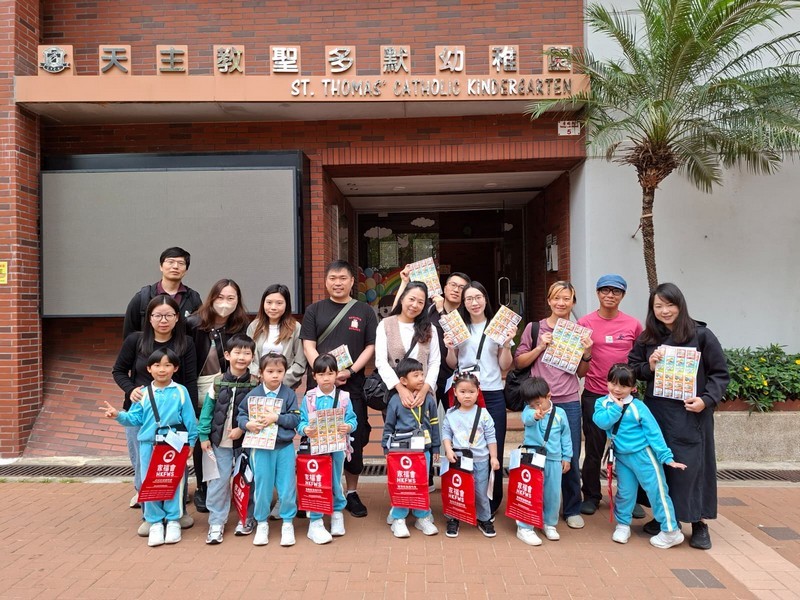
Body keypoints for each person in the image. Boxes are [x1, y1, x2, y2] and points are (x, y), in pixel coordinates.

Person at [628, 282, 730, 550]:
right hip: (658, 413)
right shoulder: (648, 338)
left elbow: (720, 373)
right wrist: (649, 366)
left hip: (691, 414)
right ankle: (666, 518)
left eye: (670, 305)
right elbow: (632, 369)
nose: (665, 311)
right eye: (658, 306)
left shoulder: (701, 335)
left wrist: (706, 400)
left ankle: (698, 522)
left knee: (692, 468)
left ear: (680, 305)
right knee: (659, 466)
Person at [112, 295, 198, 535]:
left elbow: (190, 380)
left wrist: (190, 416)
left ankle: (178, 513)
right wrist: (131, 390)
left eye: (169, 315)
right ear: (149, 318)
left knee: (175, 467)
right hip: (142, 412)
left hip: (174, 418)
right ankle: (150, 516)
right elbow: (119, 371)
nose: (163, 320)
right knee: (145, 466)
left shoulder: (186, 343)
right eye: (158, 315)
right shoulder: (135, 340)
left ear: (177, 317)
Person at [300, 260, 377, 517]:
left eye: (343, 278)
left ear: (352, 281)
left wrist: (351, 371)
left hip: (352, 386)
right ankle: (318, 490)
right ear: (326, 281)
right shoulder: (314, 310)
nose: (337, 283)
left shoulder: (364, 311)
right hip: (319, 388)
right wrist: (325, 374)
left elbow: (370, 346)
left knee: (353, 436)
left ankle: (351, 492)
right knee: (315, 436)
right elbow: (308, 345)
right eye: (333, 278)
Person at [514, 281, 592, 530]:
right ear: (548, 300)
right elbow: (519, 362)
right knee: (537, 452)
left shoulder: (578, 332)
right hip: (539, 400)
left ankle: (571, 508)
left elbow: (581, 372)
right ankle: (536, 505)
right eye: (556, 298)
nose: (561, 303)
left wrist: (587, 353)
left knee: (569, 454)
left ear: (573, 302)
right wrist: (540, 346)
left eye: (566, 298)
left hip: (568, 400)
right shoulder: (535, 328)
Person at [102, 348, 198, 547]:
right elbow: (134, 418)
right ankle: (154, 522)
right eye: (157, 365)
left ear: (175, 368)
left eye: (167, 365)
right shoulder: (143, 393)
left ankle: (173, 520)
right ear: (149, 368)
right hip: (148, 445)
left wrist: (191, 442)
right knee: (149, 481)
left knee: (172, 481)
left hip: (173, 445)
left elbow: (189, 419)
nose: (162, 369)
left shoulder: (181, 391)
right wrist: (118, 415)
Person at [593, 363, 687, 548]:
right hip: (622, 457)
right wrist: (616, 408)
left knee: (657, 491)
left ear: (633, 388)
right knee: (625, 493)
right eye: (613, 383)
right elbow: (601, 422)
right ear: (607, 382)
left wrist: (666, 457)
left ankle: (671, 531)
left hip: (644, 456)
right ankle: (623, 525)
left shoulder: (639, 406)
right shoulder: (602, 403)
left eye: (623, 385)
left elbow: (654, 432)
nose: (617, 389)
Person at [444, 281, 515, 515]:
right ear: (463, 303)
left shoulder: (498, 326)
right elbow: (452, 363)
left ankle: (492, 502)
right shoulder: (458, 326)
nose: (474, 303)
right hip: (464, 392)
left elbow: (505, 365)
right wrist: (450, 348)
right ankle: (466, 497)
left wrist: (506, 345)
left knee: (494, 446)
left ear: (485, 298)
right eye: (469, 299)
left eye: (478, 297)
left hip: (492, 392)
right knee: (463, 444)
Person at [577, 274, 643, 516]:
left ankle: (630, 498)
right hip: (595, 394)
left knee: (630, 449)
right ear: (597, 293)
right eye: (605, 290)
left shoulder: (633, 325)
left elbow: (639, 359)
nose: (610, 295)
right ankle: (591, 495)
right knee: (593, 449)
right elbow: (578, 362)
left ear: (622, 295)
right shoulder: (584, 323)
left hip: (626, 396)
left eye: (615, 291)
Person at [186, 278, 250, 512]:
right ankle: (203, 487)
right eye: (220, 297)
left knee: (229, 438)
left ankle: (230, 487)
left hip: (233, 388)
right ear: (211, 298)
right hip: (202, 388)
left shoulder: (240, 324)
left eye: (231, 298)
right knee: (203, 437)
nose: (225, 303)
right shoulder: (193, 324)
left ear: (238, 301)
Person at [197, 334, 261, 544]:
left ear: (252, 357)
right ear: (227, 355)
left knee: (247, 480)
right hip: (220, 441)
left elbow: (257, 414)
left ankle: (247, 517)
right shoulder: (217, 382)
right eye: (237, 352)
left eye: (247, 353)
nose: (241, 357)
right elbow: (207, 411)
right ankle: (216, 522)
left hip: (247, 442)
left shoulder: (255, 384)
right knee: (219, 481)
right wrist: (204, 435)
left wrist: (242, 429)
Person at [237, 352, 300, 547]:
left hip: (284, 447)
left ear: (285, 372)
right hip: (260, 448)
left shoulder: (288, 394)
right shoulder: (254, 394)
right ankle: (262, 522)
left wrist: (277, 418)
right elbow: (241, 415)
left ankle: (287, 522)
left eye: (279, 371)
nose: (275, 375)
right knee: (263, 487)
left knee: (287, 486)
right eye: (270, 371)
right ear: (261, 373)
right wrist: (247, 424)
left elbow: (295, 419)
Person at [297, 354, 358, 544]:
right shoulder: (309, 397)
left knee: (335, 479)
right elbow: (301, 421)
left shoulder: (344, 397)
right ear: (314, 376)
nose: (326, 378)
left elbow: (352, 419)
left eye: (330, 374)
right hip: (315, 449)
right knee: (316, 480)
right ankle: (315, 519)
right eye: (321, 374)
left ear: (336, 374)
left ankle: (337, 511)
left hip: (337, 447)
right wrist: (305, 429)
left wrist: (348, 427)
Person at [392, 268, 470, 407]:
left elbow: (455, 337)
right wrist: (404, 282)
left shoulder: (466, 316)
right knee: (424, 416)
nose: (456, 290)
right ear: (444, 288)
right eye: (453, 285)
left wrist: (441, 311)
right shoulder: (427, 309)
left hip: (452, 376)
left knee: (455, 416)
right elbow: (397, 313)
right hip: (424, 375)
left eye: (461, 287)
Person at [382, 358, 440, 538]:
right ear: (403, 381)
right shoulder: (395, 401)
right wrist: (386, 449)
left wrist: (436, 447)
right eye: (416, 375)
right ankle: (398, 518)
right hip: (401, 452)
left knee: (422, 483)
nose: (421, 378)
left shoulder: (428, 399)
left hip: (423, 451)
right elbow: (389, 426)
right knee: (402, 483)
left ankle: (422, 516)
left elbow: (434, 423)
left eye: (422, 374)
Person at [441, 371, 499, 538]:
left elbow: (491, 437)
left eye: (471, 391)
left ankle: (484, 518)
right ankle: (453, 518)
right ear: (455, 392)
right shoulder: (451, 414)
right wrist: (448, 450)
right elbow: (446, 433)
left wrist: (494, 457)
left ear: (478, 392)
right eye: (463, 391)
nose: (467, 395)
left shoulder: (484, 414)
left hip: (480, 460)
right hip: (457, 460)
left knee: (481, 491)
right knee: (456, 490)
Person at [515, 377, 572, 546]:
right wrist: (535, 415)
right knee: (529, 492)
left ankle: (549, 523)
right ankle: (525, 526)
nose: (535, 407)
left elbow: (566, 436)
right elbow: (527, 419)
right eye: (531, 404)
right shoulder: (528, 411)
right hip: (532, 459)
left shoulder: (560, 414)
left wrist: (567, 457)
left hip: (554, 459)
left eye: (538, 403)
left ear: (549, 396)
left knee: (553, 493)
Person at [375, 281, 441, 409]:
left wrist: (424, 390)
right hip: (395, 394)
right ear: (402, 299)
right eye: (411, 299)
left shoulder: (429, 328)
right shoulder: (385, 325)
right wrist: (400, 389)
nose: (415, 305)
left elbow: (434, 362)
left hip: (423, 396)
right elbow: (381, 361)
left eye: (420, 302)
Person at [122, 247, 202, 339]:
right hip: (148, 347)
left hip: (183, 348)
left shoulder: (193, 298)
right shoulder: (143, 296)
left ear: (186, 270)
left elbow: (199, 334)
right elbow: (129, 334)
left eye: (181, 263)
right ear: (161, 266)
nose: (175, 266)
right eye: (170, 262)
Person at [247, 283, 307, 389]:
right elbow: (246, 357)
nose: (273, 307)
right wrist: (260, 376)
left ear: (286, 305)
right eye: (269, 302)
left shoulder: (295, 328)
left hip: (285, 387)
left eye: (279, 303)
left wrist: (280, 380)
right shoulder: (254, 326)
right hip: (257, 386)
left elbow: (300, 362)